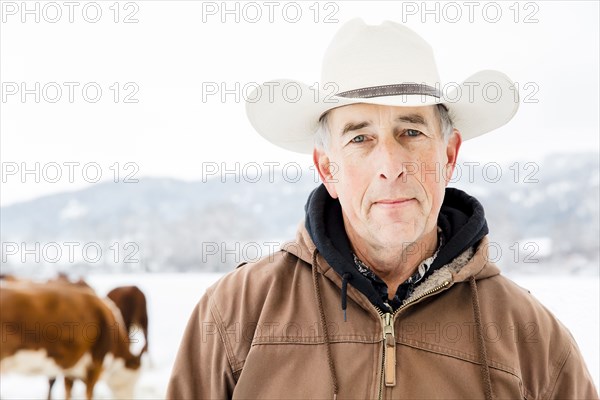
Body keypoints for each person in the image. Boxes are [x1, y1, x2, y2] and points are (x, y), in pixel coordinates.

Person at [167, 19, 598, 399]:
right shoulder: (235, 314)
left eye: (410, 131)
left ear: (448, 155)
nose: (390, 167)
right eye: (359, 138)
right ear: (327, 168)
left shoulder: (532, 339)